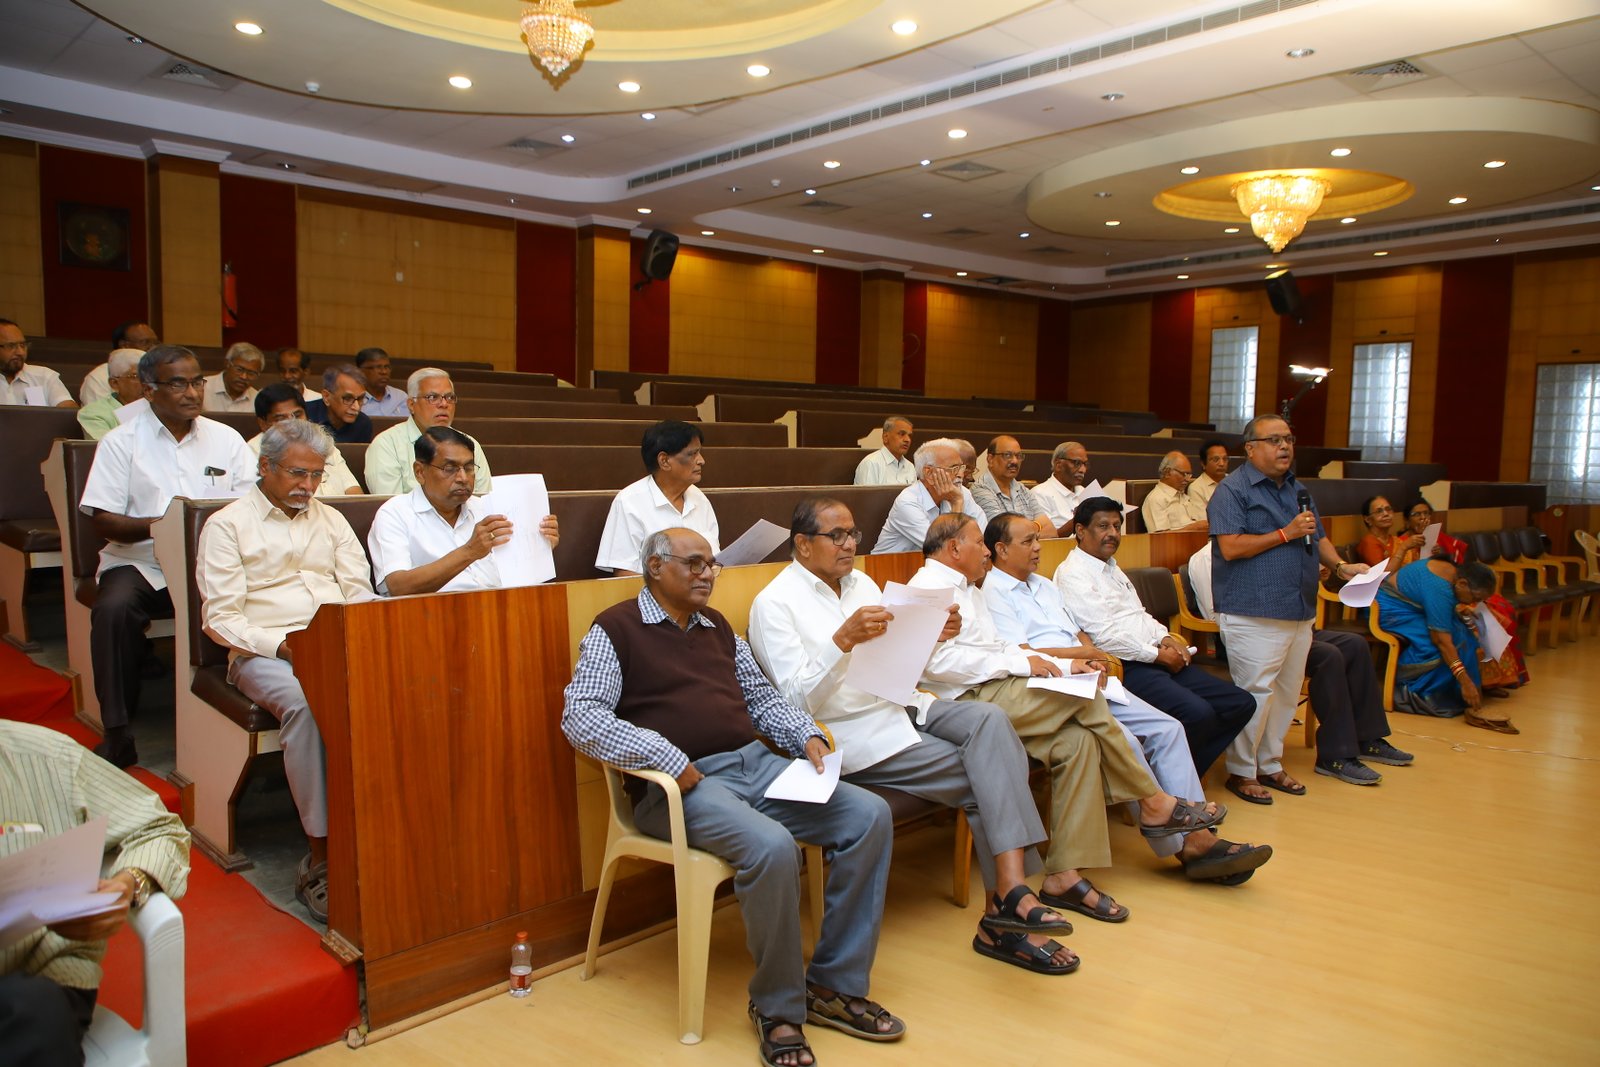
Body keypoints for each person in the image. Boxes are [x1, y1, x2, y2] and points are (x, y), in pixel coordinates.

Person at [563, 527, 904, 1067]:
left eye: (712, 565)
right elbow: (581, 717)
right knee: (771, 847)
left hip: (756, 765)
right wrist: (666, 757)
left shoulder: (717, 627)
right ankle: (777, 1008)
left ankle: (832, 986)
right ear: (656, 567)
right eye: (694, 564)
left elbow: (761, 699)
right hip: (681, 786)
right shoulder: (616, 629)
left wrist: (805, 735)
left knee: (868, 815)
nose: (707, 575)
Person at [749, 498, 1079, 975]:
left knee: (989, 721)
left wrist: (931, 635)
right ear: (802, 544)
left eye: (852, 535)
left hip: (900, 701)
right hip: (853, 730)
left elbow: (895, 655)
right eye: (836, 536)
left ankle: (1008, 895)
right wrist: (841, 642)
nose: (849, 545)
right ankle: (1007, 913)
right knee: (987, 774)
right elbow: (795, 705)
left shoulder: (862, 583)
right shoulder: (774, 604)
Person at [911, 513, 1226, 922]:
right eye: (979, 543)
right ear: (955, 548)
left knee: (1079, 742)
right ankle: (1153, 803)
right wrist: (1028, 665)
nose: (986, 551)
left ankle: (1063, 875)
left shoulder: (969, 588)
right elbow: (936, 665)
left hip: (996, 686)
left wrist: (1054, 664)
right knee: (1084, 696)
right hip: (963, 702)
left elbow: (1000, 648)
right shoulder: (927, 588)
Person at [984, 513, 1271, 883]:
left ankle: (1197, 835)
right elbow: (1023, 653)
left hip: (1089, 674)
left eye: (1038, 539)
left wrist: (1091, 654)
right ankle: (1190, 846)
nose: (1038, 547)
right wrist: (1085, 657)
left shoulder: (1044, 585)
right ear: (1001, 549)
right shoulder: (992, 592)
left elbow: (1078, 632)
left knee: (1169, 729)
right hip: (1051, 685)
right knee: (1129, 743)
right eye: (1028, 542)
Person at [196, 418, 376, 921]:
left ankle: (386, 833)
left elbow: (358, 590)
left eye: (317, 475)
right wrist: (285, 647)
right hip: (264, 652)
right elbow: (221, 619)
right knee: (306, 704)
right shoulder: (227, 525)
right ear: (265, 466)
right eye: (298, 474)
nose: (309, 486)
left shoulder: (331, 519)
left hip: (335, 639)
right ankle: (320, 856)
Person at [80, 344, 256, 768]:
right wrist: (167, 525)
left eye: (197, 382)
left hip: (214, 563)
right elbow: (103, 520)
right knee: (114, 610)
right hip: (143, 562)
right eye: (178, 384)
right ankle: (118, 730)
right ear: (148, 389)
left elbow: (252, 506)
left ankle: (242, 718)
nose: (192, 393)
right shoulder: (121, 442)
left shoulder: (226, 439)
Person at [0, 720, 191, 1064]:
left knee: (34, 1011)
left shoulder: (46, 756)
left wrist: (128, 884)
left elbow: (158, 826)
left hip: (35, 976)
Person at [1208, 414, 1370, 804]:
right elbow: (1230, 547)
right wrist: (1286, 533)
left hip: (1298, 608)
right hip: (1254, 611)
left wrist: (1341, 567)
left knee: (1285, 694)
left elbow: (1319, 536)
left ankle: (1270, 763)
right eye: (1275, 440)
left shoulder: (1298, 488)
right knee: (1257, 694)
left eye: (1289, 439)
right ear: (1250, 449)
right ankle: (1241, 772)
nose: (1285, 446)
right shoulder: (1232, 491)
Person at [1054, 497, 1255, 778]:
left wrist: (1166, 638)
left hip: (1155, 656)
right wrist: (1159, 655)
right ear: (1080, 530)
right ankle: (1170, 783)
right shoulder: (1072, 574)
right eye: (1103, 526)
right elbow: (1104, 637)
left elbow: (1140, 615)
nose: (1112, 533)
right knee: (1198, 713)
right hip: (1125, 666)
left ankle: (1179, 775)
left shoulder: (1111, 567)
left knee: (1240, 702)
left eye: (1117, 526)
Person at [1189, 546, 1415, 785]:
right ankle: (1336, 754)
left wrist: (1308, 577)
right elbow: (1218, 613)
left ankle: (1367, 738)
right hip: (1251, 636)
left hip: (1289, 623)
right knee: (1329, 655)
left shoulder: (1267, 549)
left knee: (1355, 645)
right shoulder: (1207, 558)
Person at [368, 426, 558, 595]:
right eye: (449, 468)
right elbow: (398, 587)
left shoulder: (485, 508)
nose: (463, 478)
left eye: (468, 468)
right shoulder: (394, 514)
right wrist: (469, 552)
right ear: (420, 472)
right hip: (432, 615)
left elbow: (517, 574)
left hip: (498, 607)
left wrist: (539, 545)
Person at [1377, 557, 1519, 733]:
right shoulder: (1440, 590)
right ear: (1462, 583)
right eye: (1475, 597)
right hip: (1392, 610)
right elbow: (1441, 641)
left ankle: (1468, 694)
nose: (1472, 603)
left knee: (1465, 635)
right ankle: (1415, 693)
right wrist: (1465, 681)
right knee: (1438, 646)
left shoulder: (1453, 577)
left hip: (1416, 608)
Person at [596, 420, 718, 575]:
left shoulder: (699, 499)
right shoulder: (629, 502)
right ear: (664, 461)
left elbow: (714, 560)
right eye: (692, 454)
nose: (701, 460)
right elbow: (623, 574)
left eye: (699, 452)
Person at [364, 367, 493, 496]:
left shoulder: (470, 444)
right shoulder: (387, 445)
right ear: (411, 405)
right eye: (433, 397)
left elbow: (484, 498)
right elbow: (390, 503)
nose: (444, 404)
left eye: (449, 397)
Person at [245, 383, 362, 496]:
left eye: (297, 415)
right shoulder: (251, 452)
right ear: (263, 424)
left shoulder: (322, 442)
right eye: (281, 418)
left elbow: (353, 489)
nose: (293, 423)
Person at [871, 439, 980, 554]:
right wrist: (956, 503)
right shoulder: (908, 502)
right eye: (954, 468)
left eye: (961, 467)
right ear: (929, 473)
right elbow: (945, 549)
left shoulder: (961, 492)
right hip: (888, 563)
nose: (961, 474)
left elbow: (982, 534)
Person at [972, 435, 1056, 536]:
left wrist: (1025, 537)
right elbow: (1003, 534)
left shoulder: (1023, 490)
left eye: (1018, 456)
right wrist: (1037, 526)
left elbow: (1051, 531)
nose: (1015, 461)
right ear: (990, 459)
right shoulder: (980, 489)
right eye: (1007, 455)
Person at [78, 320, 158, 406]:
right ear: (124, 345)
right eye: (145, 342)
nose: (153, 347)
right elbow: (100, 411)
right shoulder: (99, 377)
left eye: (155, 343)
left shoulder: (159, 372)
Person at [0, 318, 75, 408]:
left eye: (22, 345)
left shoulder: (44, 376)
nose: (20, 352)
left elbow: (68, 411)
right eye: (11, 346)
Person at [75, 347, 145, 439]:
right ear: (114, 383)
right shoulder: (94, 414)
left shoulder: (159, 409)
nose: (147, 382)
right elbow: (108, 446)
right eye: (136, 376)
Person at [305, 363, 375, 444]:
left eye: (360, 398)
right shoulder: (305, 415)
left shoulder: (363, 424)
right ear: (326, 397)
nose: (356, 407)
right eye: (348, 399)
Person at [1029, 441, 1090, 532]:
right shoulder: (1039, 494)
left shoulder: (1084, 491)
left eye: (1085, 464)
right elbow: (1046, 537)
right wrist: (1079, 519)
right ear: (1058, 465)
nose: (1083, 470)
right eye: (1077, 463)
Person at [1143, 451, 1209, 533]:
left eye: (1189, 474)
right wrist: (1195, 528)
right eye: (1184, 474)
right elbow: (1160, 537)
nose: (1187, 479)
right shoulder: (1156, 499)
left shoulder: (1182, 495)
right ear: (1167, 473)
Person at [1355, 495, 1424, 569]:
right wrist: (1404, 547)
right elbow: (1384, 573)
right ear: (1368, 519)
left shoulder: (1394, 540)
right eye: (1379, 511)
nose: (1386, 514)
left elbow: (1416, 563)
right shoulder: (1369, 542)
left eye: (1388, 509)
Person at [201, 341, 264, 413]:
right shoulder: (202, 387)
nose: (244, 377)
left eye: (251, 373)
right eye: (239, 369)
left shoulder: (258, 400)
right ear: (227, 364)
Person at [852, 416, 915, 486]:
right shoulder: (871, 464)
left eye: (910, 436)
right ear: (885, 437)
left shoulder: (910, 467)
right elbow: (866, 493)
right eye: (902, 434)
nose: (907, 440)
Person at [355, 347, 409, 417]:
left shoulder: (401, 397)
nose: (384, 372)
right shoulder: (354, 399)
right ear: (360, 371)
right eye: (377, 367)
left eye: (386, 367)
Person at [1190, 439, 1229, 507]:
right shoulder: (1196, 488)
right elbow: (1200, 514)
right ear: (1203, 464)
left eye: (1225, 459)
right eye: (1216, 459)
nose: (1222, 463)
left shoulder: (1235, 481)